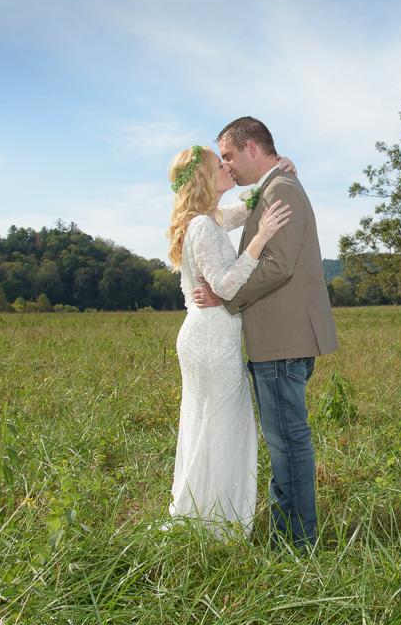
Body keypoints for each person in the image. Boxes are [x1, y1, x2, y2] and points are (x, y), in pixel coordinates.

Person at [193, 116, 339, 551]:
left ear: (252, 148)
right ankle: (290, 533)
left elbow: (278, 266)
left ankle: (296, 543)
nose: (228, 165)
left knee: (287, 441)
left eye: (230, 155)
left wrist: (227, 299)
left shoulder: (282, 190)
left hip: (281, 338)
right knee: (285, 439)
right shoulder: (273, 188)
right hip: (279, 336)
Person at [162, 143, 293, 538]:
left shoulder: (210, 219)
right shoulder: (202, 226)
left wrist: (277, 171)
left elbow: (244, 208)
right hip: (211, 340)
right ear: (204, 176)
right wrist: (261, 239)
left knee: (212, 427)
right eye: (220, 164)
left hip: (209, 337)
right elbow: (222, 284)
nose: (228, 168)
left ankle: (204, 519)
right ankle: (216, 528)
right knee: (223, 428)